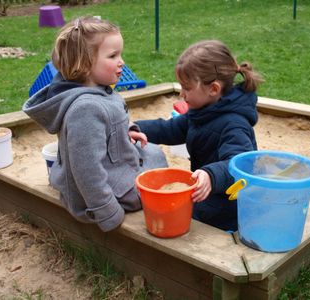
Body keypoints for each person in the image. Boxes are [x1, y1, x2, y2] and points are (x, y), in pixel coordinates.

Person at [23, 17, 167, 232]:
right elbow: (87, 171)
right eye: (113, 56)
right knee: (154, 184)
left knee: (155, 154)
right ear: (84, 63)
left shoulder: (99, 89)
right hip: (96, 191)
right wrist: (107, 212)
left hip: (113, 163)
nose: (122, 62)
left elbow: (106, 127)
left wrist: (126, 132)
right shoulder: (85, 109)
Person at [135, 40, 263, 231]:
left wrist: (211, 176)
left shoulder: (234, 124)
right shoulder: (203, 111)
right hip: (206, 196)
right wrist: (135, 127)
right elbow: (169, 129)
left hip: (225, 208)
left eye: (187, 88)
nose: (182, 94)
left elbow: (240, 164)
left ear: (213, 89)